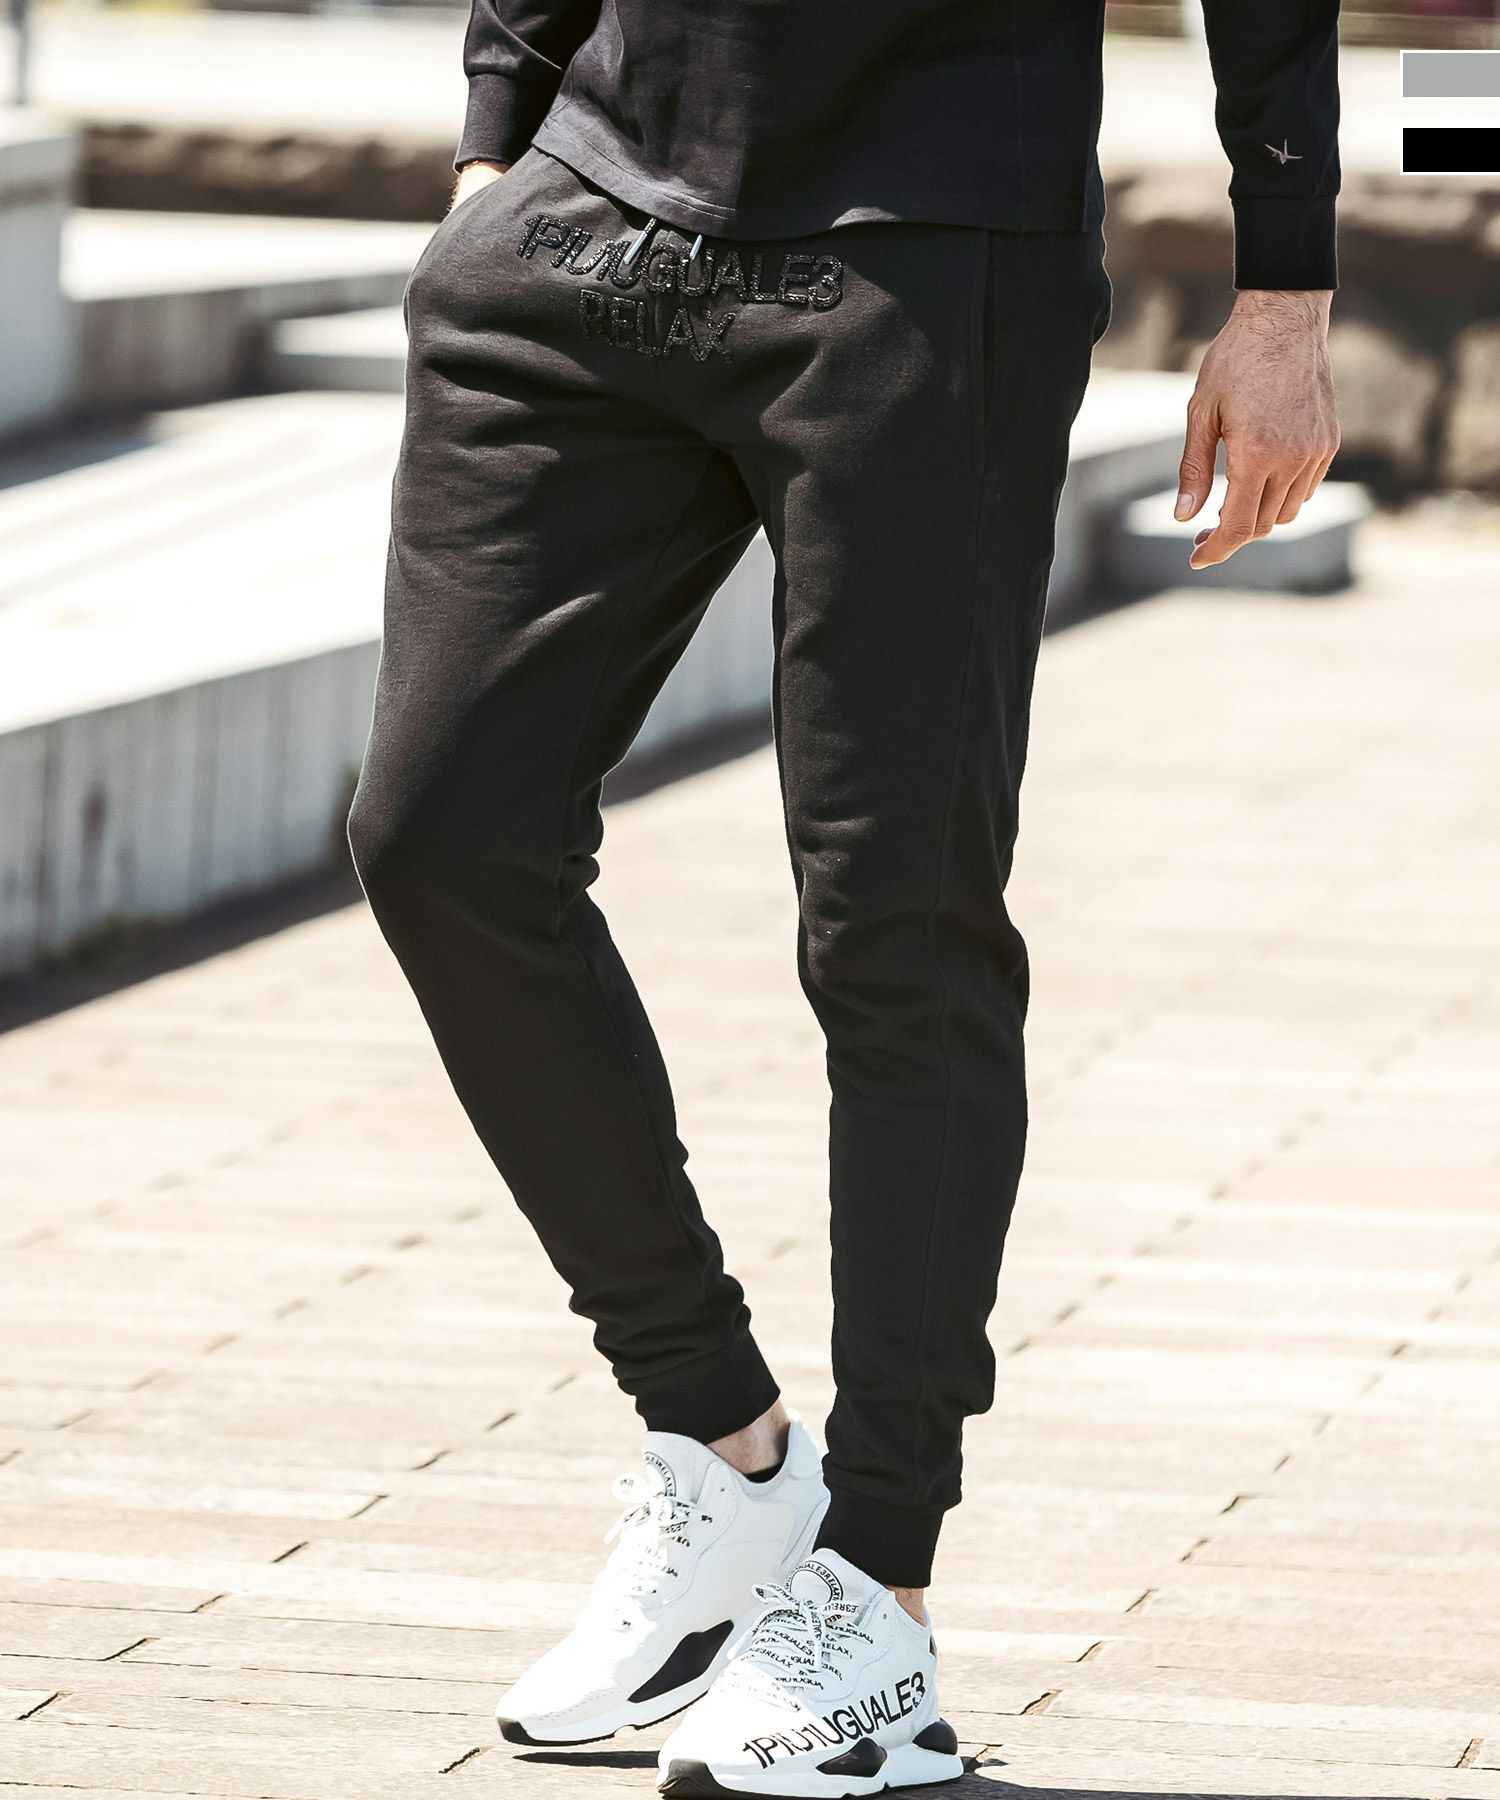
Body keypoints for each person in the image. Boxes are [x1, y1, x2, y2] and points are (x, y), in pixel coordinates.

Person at [347, 2, 1341, 1792]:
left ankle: (876, 1584)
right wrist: (496, 135)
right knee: (440, 836)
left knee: (898, 918)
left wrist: (1285, 291)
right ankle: (723, 1446)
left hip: (928, 244)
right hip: (585, 216)